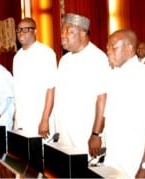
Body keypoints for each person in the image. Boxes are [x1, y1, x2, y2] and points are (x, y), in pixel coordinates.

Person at [104, 29, 145, 178]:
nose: (109, 52)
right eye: (107, 48)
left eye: (114, 47)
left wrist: (144, 167)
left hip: (138, 159)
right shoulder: (113, 76)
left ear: (130, 47)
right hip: (116, 156)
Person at [52, 13, 110, 157]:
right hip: (64, 134)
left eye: (69, 31)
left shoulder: (98, 58)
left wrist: (96, 134)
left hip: (84, 134)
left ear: (83, 33)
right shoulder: (64, 61)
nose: (63, 35)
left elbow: (102, 99)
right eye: (63, 31)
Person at [12, 17, 57, 139]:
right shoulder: (17, 57)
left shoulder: (46, 53)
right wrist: (15, 117)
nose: (21, 32)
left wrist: (45, 119)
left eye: (26, 29)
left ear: (35, 32)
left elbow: (51, 89)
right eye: (19, 30)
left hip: (39, 119)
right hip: (21, 120)